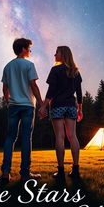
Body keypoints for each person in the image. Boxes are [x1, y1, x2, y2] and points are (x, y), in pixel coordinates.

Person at [1, 38, 45, 182]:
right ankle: (25, 173)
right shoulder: (29, 65)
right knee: (26, 138)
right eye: (29, 48)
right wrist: (41, 104)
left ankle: (5, 173)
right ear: (24, 49)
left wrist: (9, 101)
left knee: (10, 138)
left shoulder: (7, 66)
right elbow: (33, 85)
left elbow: (5, 89)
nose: (30, 51)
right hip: (27, 106)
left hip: (13, 106)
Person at [39, 46, 83, 180]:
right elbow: (79, 93)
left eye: (56, 52)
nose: (54, 55)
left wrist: (44, 106)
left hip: (57, 105)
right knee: (73, 136)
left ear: (63, 54)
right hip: (71, 106)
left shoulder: (55, 70)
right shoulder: (76, 72)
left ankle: (61, 171)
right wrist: (80, 109)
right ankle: (75, 170)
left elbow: (51, 91)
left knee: (60, 137)